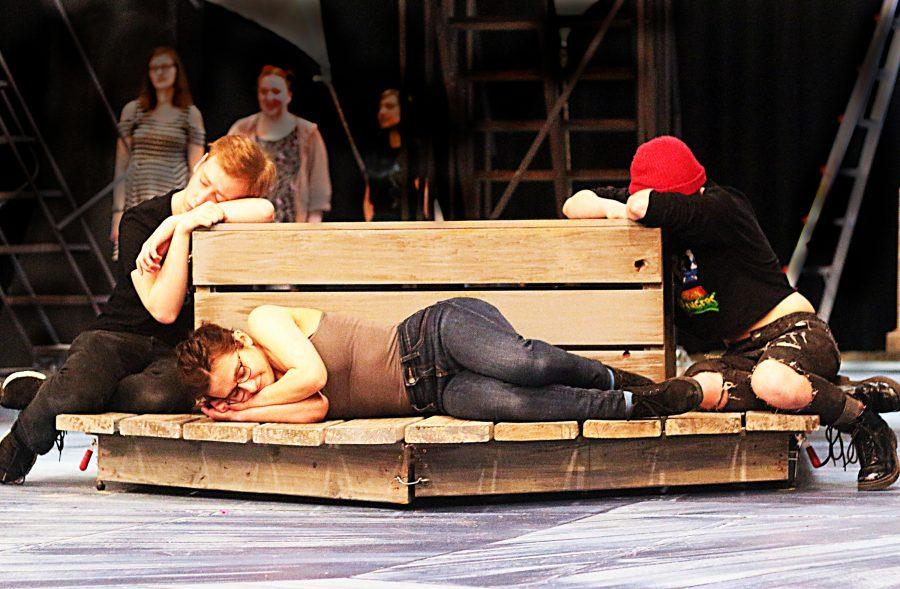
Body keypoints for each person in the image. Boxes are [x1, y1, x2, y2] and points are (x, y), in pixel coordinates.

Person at [562, 135, 900, 491]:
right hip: (742, 353)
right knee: (699, 387)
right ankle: (840, 394)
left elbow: (643, 206)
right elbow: (575, 203)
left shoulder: (722, 207)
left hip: (794, 332)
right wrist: (617, 206)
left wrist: (627, 208)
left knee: (771, 381)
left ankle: (866, 424)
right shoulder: (661, 211)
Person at [0, 136, 277, 485]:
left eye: (221, 197)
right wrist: (178, 222)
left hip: (174, 350)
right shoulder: (141, 221)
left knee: (159, 396)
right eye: (206, 183)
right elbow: (163, 307)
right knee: (78, 391)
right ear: (200, 161)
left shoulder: (212, 223)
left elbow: (266, 211)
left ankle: (57, 388)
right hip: (116, 335)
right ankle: (22, 440)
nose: (204, 198)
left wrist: (182, 224)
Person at [175, 299, 703, 425]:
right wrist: (247, 413)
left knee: (528, 367)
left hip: (434, 337)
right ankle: (637, 402)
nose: (250, 385)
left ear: (240, 340)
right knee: (520, 405)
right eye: (235, 392)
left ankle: (615, 374)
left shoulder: (265, 320)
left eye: (241, 370)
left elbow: (311, 377)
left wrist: (243, 408)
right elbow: (316, 407)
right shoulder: (264, 402)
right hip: (432, 396)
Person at [112, 46, 206, 251]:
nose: (160, 73)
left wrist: (192, 212)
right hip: (137, 197)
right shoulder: (133, 111)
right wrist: (117, 212)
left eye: (165, 67)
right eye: (154, 68)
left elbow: (196, 169)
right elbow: (121, 167)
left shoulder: (190, 114)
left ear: (176, 70)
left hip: (172, 200)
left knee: (167, 257)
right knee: (134, 262)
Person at [228, 65, 332, 223]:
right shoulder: (242, 130)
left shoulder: (308, 133)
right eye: (264, 91)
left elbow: (319, 189)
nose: (269, 97)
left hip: (296, 226)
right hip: (250, 227)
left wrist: (312, 232)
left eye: (276, 92)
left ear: (288, 95)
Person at [363, 89, 428, 222]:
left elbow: (423, 187)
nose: (382, 112)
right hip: (380, 221)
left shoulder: (416, 148)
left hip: (410, 221)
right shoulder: (376, 147)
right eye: (380, 107)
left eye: (389, 107)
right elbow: (369, 186)